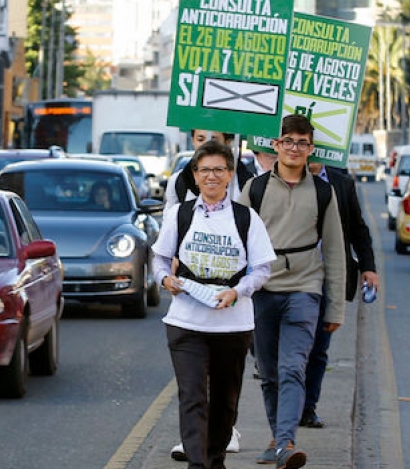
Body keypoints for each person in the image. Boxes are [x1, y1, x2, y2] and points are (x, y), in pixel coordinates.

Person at [152, 141, 276, 469]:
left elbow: (262, 268)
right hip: (185, 323)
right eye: (204, 170)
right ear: (194, 175)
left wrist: (238, 291)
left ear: (230, 175)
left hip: (233, 326)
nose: (211, 176)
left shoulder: (246, 218)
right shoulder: (179, 215)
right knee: (192, 397)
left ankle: (214, 459)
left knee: (224, 402)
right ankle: (198, 464)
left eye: (219, 169)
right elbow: (160, 259)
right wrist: (165, 280)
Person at [237, 114, 346, 469]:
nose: (295, 148)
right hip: (261, 289)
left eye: (302, 143)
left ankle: (285, 442)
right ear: (276, 145)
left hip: (305, 288)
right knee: (268, 372)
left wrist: (336, 309)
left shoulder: (322, 191)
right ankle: (277, 437)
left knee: (292, 368)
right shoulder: (254, 188)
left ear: (311, 148)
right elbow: (234, 244)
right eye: (288, 141)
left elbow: (333, 251)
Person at [300, 161, 379, 429]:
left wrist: (369, 268)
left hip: (329, 278)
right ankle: (286, 404)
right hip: (291, 279)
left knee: (318, 349)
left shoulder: (342, 184)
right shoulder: (279, 181)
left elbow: (358, 229)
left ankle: (307, 407)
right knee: (290, 349)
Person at [165, 130, 254, 209]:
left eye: (213, 139)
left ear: (227, 142)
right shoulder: (178, 181)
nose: (206, 144)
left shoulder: (248, 182)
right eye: (200, 139)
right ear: (192, 141)